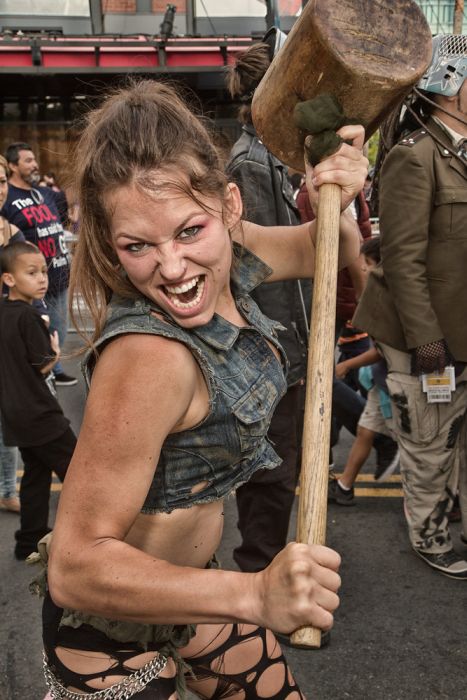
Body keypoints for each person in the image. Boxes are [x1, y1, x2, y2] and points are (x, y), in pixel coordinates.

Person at [36, 80, 367, 698]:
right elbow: (75, 567)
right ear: (111, 244)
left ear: (230, 206)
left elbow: (328, 248)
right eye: (137, 245)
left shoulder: (232, 253)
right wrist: (254, 594)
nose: (171, 267)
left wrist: (335, 193)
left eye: (189, 231)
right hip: (110, 630)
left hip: (189, 594)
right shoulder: (149, 357)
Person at [354, 34, 467, 579]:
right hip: (423, 334)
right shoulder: (413, 158)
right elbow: (403, 263)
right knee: (429, 440)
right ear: (451, 86)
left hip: (461, 329)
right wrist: (428, 342)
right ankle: (430, 535)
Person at [225, 33, 312, 574]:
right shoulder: (250, 166)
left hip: (290, 346)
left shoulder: (273, 157)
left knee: (282, 471)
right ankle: (259, 579)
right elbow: (260, 274)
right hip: (273, 351)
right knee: (269, 475)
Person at [0, 241, 76, 559]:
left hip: (15, 414)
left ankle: (28, 540)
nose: (42, 278)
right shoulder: (29, 317)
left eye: (44, 271)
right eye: (32, 272)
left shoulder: (4, 313)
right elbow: (44, 362)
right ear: (9, 279)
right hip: (41, 414)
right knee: (78, 472)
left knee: (36, 474)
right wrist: (55, 350)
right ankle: (88, 537)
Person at [328, 237, 399, 506]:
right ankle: (345, 485)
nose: (364, 269)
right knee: (366, 430)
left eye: (367, 264)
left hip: (395, 383)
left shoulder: (386, 298)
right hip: (380, 381)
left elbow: (382, 348)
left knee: (419, 446)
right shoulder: (378, 296)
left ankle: (438, 500)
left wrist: (346, 365)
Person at [1, 142, 77, 386]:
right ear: (12, 165)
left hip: (56, 276)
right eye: (27, 160)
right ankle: (46, 370)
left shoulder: (42, 194)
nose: (34, 164)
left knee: (57, 330)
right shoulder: (9, 199)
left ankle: (52, 367)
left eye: (35, 159)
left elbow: (71, 197)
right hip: (24, 288)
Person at [0, 155, 23, 513]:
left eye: (2, 181)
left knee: (9, 418)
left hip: (8, 333)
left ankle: (7, 489)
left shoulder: (11, 230)